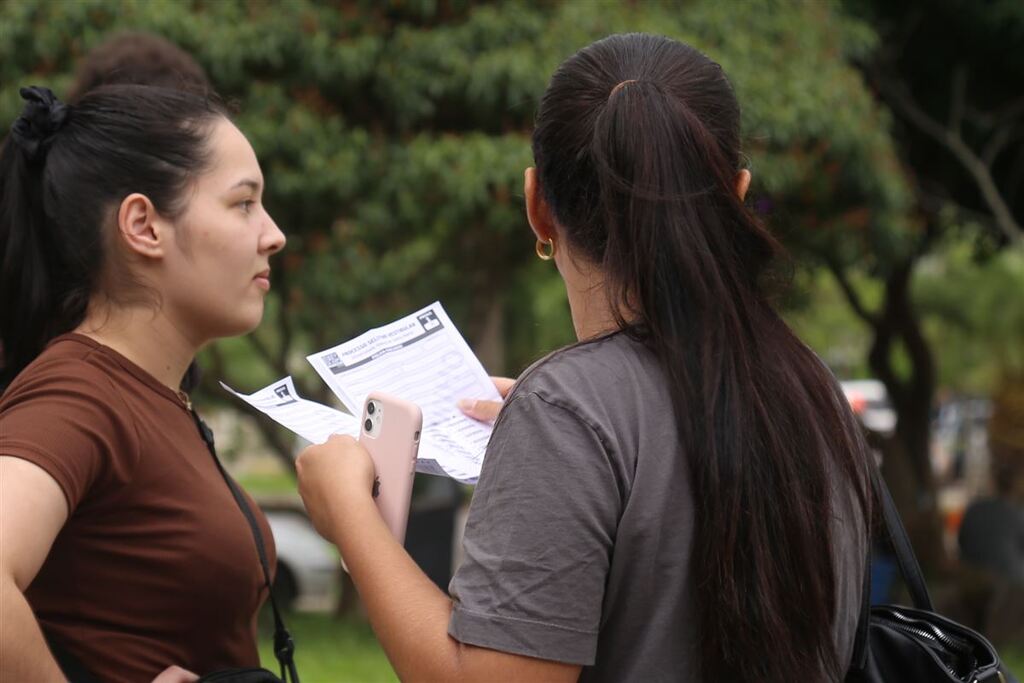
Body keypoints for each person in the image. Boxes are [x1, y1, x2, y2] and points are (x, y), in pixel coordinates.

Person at [295, 32, 871, 682]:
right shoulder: (815, 387)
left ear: (538, 204)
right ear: (735, 193)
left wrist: (352, 517)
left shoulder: (568, 409)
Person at [0, 83, 285, 682]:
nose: (272, 234)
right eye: (243, 203)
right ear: (144, 226)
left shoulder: (150, 395)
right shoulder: (80, 395)